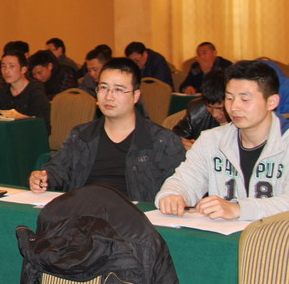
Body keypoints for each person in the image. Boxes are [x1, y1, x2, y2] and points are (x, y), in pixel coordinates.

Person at [29, 57, 185, 202]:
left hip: (134, 217)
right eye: (103, 87)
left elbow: (180, 185)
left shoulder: (162, 140)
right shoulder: (82, 135)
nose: (109, 96)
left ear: (136, 95)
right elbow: (59, 170)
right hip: (84, 210)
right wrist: (43, 178)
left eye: (118, 90)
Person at [157, 60, 289, 221]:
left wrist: (239, 209)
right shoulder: (211, 140)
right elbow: (185, 180)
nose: (234, 107)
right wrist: (172, 195)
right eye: (229, 98)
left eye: (245, 99)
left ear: (272, 102)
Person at [0, 52, 51, 132]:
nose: (6, 71)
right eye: (3, 66)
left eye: (12, 66)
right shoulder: (3, 90)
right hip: (8, 134)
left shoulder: (36, 92)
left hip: (29, 135)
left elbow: (42, 126)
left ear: (23, 69)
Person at [172, 70, 229, 149]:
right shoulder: (196, 111)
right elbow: (175, 136)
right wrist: (182, 143)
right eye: (209, 106)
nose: (215, 114)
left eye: (221, 109)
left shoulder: (243, 119)